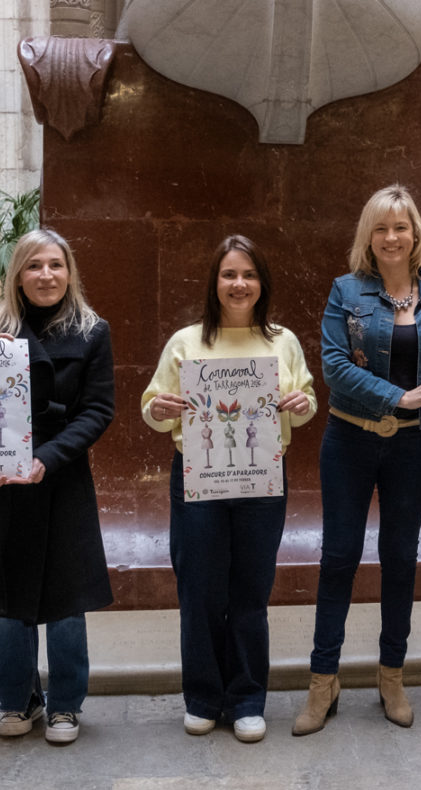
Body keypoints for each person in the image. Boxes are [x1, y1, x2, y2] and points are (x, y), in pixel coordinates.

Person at [293, 184, 421, 736]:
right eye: (382, 228)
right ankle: (323, 681)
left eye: (401, 227)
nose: (392, 237)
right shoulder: (347, 291)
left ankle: (392, 675)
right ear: (369, 235)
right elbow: (336, 368)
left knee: (401, 558)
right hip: (350, 440)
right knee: (338, 557)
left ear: (416, 234)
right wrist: (400, 395)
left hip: (415, 448)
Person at [142, 235, 316, 743]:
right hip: (198, 476)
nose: (239, 284)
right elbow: (152, 405)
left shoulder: (282, 341)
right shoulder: (185, 341)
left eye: (248, 275)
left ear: (262, 283)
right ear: (214, 284)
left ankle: (245, 699)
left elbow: (304, 398)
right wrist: (157, 411)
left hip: (262, 480)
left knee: (250, 591)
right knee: (198, 589)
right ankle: (202, 696)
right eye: (229, 275)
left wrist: (302, 407)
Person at [0, 229, 115, 746]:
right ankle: (17, 700)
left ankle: (66, 705)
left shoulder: (92, 330)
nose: (46, 275)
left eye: (55, 265)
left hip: (59, 475)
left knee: (66, 596)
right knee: (11, 594)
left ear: (70, 273)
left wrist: (46, 458)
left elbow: (98, 411)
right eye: (34, 266)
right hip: (3, 478)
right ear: (17, 274)